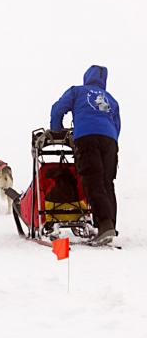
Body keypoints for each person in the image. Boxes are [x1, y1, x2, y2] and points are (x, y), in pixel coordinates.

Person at [50, 65, 121, 246]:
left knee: (93, 180)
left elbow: (58, 108)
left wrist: (57, 130)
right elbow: (117, 124)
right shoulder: (111, 99)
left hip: (87, 138)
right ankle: (108, 224)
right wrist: (110, 140)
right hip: (110, 140)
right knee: (107, 182)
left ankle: (104, 225)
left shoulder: (77, 91)